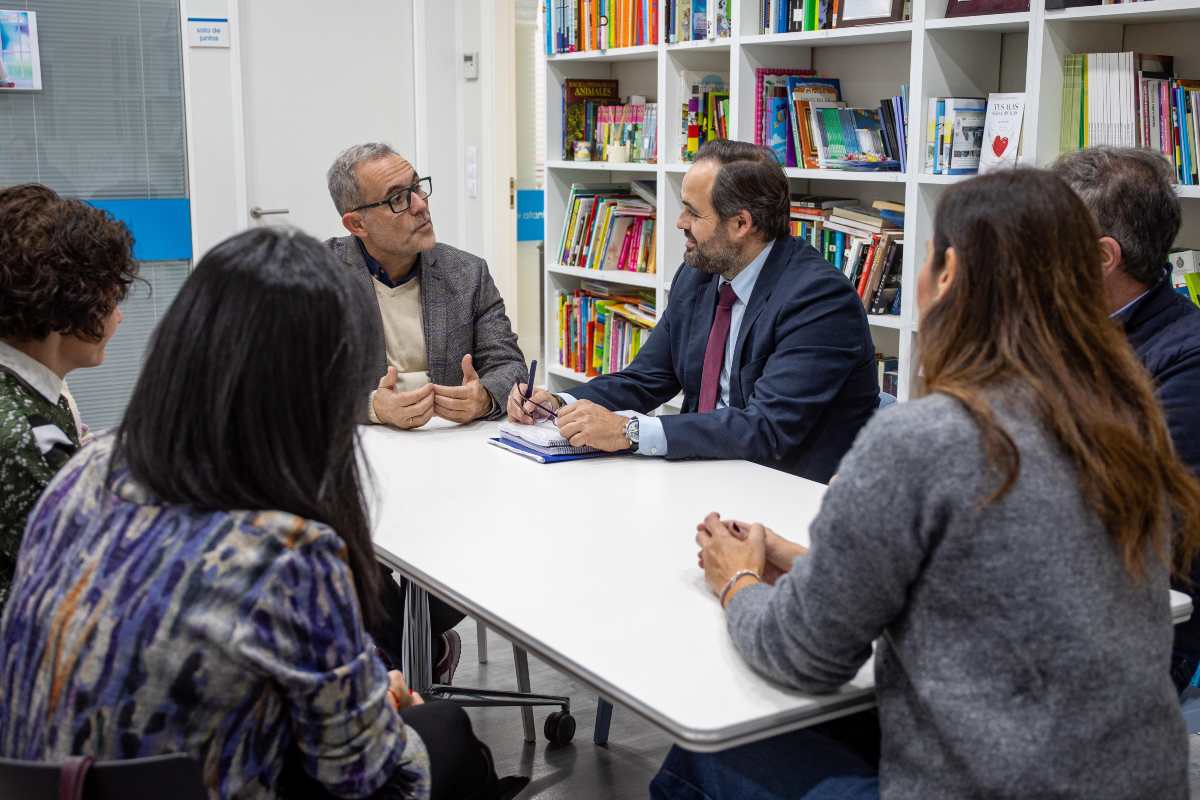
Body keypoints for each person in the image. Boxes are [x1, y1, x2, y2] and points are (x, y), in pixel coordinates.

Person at [655, 170, 1200, 799]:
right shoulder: (1124, 420)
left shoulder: (928, 438)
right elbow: (1000, 586)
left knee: (704, 751)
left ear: (946, 280)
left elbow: (801, 654)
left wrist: (736, 579)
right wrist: (808, 561)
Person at [0, 228, 520, 800]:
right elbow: (369, 773)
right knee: (444, 732)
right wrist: (386, 702)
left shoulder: (84, 468)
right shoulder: (286, 550)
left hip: (55, 782)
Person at [507, 140, 879, 483]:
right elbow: (647, 378)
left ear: (741, 223)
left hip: (783, 490)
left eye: (692, 212)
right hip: (704, 475)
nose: (679, 222)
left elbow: (767, 428)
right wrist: (560, 402)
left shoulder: (819, 300)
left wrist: (628, 432)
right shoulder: (699, 275)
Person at [326, 142, 527, 681]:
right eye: (397, 199)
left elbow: (510, 365)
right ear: (355, 223)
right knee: (339, 546)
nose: (419, 205)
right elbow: (293, 384)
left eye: (418, 188)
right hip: (361, 469)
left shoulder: (466, 273)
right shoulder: (319, 277)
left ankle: (405, 662)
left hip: (455, 468)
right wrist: (371, 405)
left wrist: (483, 395)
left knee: (494, 533)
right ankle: (409, 667)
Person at [1052, 146, 1200, 693]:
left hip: (1139, 622)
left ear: (1100, 257)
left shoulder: (1187, 357)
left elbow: (1125, 514)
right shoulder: (1059, 328)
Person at [0, 183, 133, 610]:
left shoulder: (39, 389)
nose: (118, 315)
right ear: (69, 303)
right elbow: (81, 575)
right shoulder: (17, 437)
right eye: (112, 297)